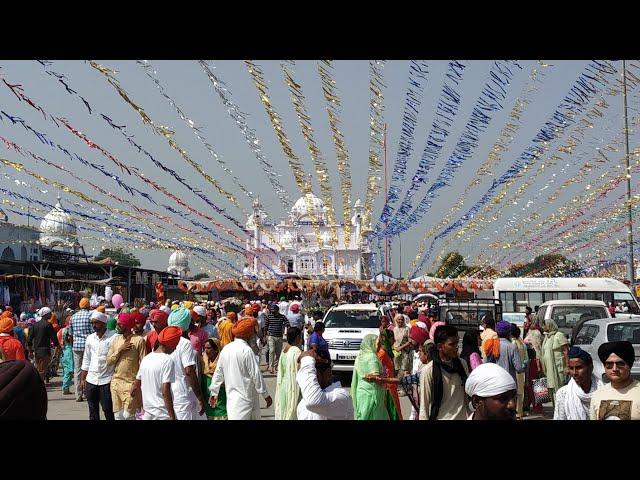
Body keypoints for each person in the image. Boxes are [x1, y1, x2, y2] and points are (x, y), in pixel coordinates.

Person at [208, 316, 272, 420]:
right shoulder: (246, 350)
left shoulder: (226, 349)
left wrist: (214, 392)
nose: (254, 336)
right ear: (249, 334)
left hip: (235, 400)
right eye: (253, 333)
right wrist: (266, 395)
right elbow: (256, 375)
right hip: (244, 400)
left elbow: (218, 373)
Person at [419, 325, 469, 420]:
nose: (456, 347)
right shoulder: (429, 370)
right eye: (452, 344)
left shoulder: (462, 364)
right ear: (439, 346)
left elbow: (466, 396)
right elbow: (424, 406)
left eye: (457, 343)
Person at [133, 326, 180, 420]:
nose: (175, 348)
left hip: (147, 413)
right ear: (169, 344)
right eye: (175, 345)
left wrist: (141, 408)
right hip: (162, 414)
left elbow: (135, 386)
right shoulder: (167, 360)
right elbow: (165, 389)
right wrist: (172, 416)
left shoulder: (147, 358)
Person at [167, 307, 206, 420]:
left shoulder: (164, 341)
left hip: (170, 391)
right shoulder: (184, 343)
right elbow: (189, 371)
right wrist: (199, 397)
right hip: (183, 393)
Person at [106, 312, 146, 420]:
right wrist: (120, 350)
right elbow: (109, 361)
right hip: (116, 382)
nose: (117, 326)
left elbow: (143, 364)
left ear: (128, 325)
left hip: (131, 383)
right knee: (118, 416)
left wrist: (138, 383)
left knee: (128, 416)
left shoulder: (139, 340)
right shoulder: (116, 340)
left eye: (120, 324)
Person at [296, 348, 353, 420]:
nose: (309, 379)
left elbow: (314, 401)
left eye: (313, 373)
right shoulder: (303, 403)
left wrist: (307, 360)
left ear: (328, 373)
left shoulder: (342, 396)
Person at [80, 310, 116, 420]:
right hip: (91, 379)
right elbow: (86, 359)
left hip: (106, 380)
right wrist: (83, 378)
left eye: (96, 323)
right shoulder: (90, 338)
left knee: (108, 409)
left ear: (103, 323)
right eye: (92, 323)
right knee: (93, 411)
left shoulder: (113, 337)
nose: (94, 326)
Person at [590, 341, 640, 420]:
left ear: (629, 365)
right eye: (609, 364)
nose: (614, 369)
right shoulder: (598, 395)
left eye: (620, 364)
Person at [554, 346, 603, 420]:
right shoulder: (563, 393)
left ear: (590, 368)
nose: (574, 373)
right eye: (571, 368)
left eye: (579, 368)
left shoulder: (603, 391)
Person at [351, 334, 389, 420]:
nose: (379, 345)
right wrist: (385, 376)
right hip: (372, 395)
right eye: (377, 343)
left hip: (361, 394)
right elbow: (377, 379)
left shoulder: (359, 357)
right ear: (371, 343)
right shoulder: (372, 357)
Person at [376, 316, 401, 419]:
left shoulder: (388, 351)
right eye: (392, 338)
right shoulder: (382, 353)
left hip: (391, 386)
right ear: (386, 339)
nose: (394, 340)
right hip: (387, 388)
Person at [275, 326, 302, 420]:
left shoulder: (284, 350)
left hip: (283, 386)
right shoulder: (296, 351)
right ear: (298, 337)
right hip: (293, 387)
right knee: (292, 413)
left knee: (284, 412)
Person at [27, 307, 60, 383]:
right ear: (46, 314)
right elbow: (54, 339)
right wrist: (57, 347)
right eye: (50, 313)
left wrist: (30, 351)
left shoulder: (34, 325)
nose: (51, 314)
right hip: (45, 351)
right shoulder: (48, 325)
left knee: (39, 369)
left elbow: (29, 340)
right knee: (42, 371)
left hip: (37, 351)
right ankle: (39, 386)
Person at [541, 318, 569, 406]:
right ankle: (556, 409)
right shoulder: (546, 337)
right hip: (549, 370)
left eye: (544, 325)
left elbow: (565, 351)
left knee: (559, 389)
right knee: (552, 389)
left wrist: (567, 366)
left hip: (558, 368)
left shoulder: (559, 335)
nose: (543, 327)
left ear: (549, 325)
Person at [69, 298, 93, 402]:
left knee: (77, 370)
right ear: (88, 306)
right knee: (89, 369)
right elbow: (94, 331)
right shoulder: (90, 315)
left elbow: (70, 333)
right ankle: (88, 393)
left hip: (77, 346)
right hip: (89, 346)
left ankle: (78, 395)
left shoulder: (73, 317)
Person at [201, 338, 227, 420]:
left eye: (209, 348)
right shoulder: (203, 361)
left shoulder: (222, 362)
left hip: (220, 398)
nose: (206, 350)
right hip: (206, 400)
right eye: (205, 348)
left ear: (216, 349)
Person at [510, 323, 528, 419]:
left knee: (517, 392)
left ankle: (517, 413)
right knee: (520, 392)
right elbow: (525, 357)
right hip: (522, 369)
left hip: (516, 370)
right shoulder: (520, 342)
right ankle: (519, 412)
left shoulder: (513, 343)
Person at [265, 303, 288, 374]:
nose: (273, 312)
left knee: (278, 352)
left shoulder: (282, 317)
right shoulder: (269, 316)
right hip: (271, 336)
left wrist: (287, 328)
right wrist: (264, 336)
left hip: (279, 337)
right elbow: (266, 326)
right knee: (271, 351)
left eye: (274, 311)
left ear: (278, 311)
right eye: (272, 311)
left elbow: (287, 323)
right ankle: (271, 367)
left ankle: (276, 366)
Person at [60, 319, 74, 395]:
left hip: (63, 350)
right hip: (69, 350)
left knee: (65, 370)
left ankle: (66, 388)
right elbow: (69, 339)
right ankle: (65, 388)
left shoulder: (61, 330)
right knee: (69, 370)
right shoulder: (68, 330)